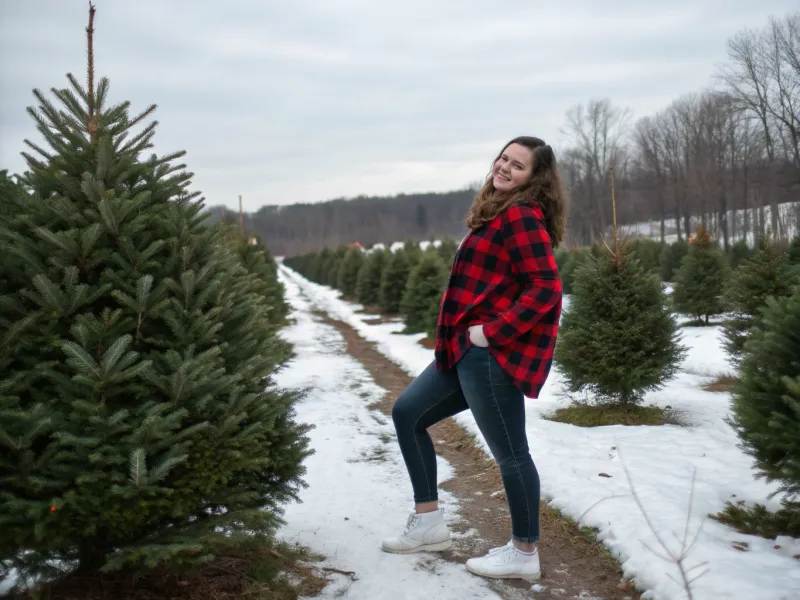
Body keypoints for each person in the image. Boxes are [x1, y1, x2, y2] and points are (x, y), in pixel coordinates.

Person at [381, 136, 566, 582]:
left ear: (534, 178)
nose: (504, 168)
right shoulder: (498, 210)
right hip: (462, 352)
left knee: (511, 453)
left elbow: (547, 287)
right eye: (503, 158)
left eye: (517, 165)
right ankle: (428, 524)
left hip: (488, 355)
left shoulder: (521, 215)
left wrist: (493, 332)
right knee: (408, 413)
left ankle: (524, 551)